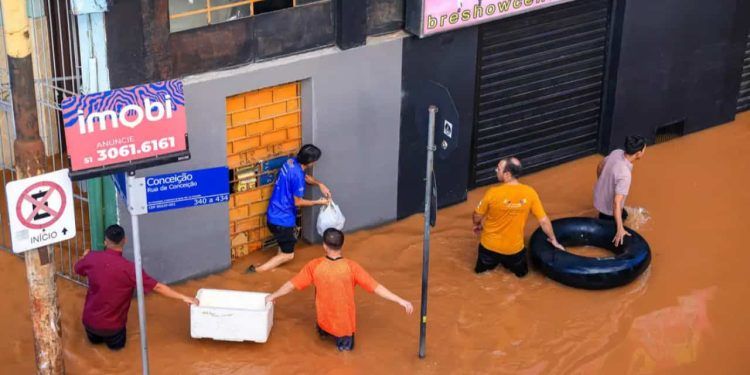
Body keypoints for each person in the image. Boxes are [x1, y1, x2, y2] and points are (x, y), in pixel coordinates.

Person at [266, 228, 413, 351]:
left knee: (320, 346)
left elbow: (291, 285)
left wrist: (273, 295)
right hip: (344, 327)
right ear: (341, 245)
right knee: (344, 360)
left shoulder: (314, 266)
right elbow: (376, 287)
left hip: (323, 321)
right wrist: (400, 300)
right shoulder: (352, 267)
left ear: (324, 245)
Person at [74, 225, 198, 350]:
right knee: (117, 353)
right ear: (125, 241)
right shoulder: (131, 269)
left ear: (105, 242)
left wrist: (84, 257)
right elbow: (158, 287)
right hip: (113, 329)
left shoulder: (92, 258)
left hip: (90, 324)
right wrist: (184, 297)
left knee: (94, 348)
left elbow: (77, 269)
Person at [472, 157, 565, 277]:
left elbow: (477, 215)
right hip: (514, 251)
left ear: (507, 174)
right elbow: (543, 221)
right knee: (522, 276)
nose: (496, 171)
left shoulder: (492, 193)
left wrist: (477, 224)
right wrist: (554, 240)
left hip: (489, 248)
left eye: (498, 169)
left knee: (480, 275)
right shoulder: (530, 193)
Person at [248, 144, 332, 273]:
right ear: (310, 162)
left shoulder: (290, 162)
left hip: (273, 214)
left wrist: (320, 184)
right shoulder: (298, 176)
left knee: (283, 249)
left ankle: (272, 267)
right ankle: (256, 271)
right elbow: (297, 202)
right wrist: (318, 202)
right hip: (282, 221)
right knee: (288, 255)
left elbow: (306, 178)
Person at [594, 135, 646, 246]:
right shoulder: (625, 174)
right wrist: (620, 229)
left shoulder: (616, 152)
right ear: (638, 153)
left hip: (598, 199)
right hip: (609, 210)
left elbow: (600, 166)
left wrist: (602, 183)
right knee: (614, 234)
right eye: (644, 149)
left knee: (625, 215)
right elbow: (616, 203)